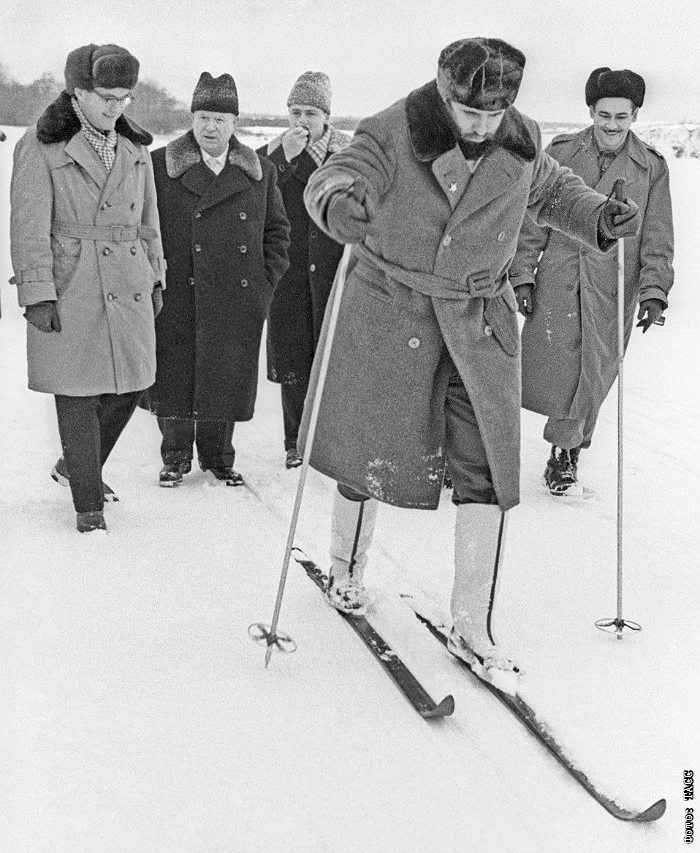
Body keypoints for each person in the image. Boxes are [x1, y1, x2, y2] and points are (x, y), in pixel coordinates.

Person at [301, 38, 640, 692]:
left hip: (479, 321)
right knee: (369, 453)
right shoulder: (395, 129)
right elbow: (336, 174)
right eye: (471, 113)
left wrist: (601, 215)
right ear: (443, 90)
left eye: (494, 113)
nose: (484, 126)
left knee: (488, 471)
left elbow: (554, 191)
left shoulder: (520, 139)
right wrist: (338, 202)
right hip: (394, 311)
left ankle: (472, 626)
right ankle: (346, 568)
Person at [9, 43, 165, 533]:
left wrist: (155, 274)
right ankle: (88, 507)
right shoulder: (40, 145)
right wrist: (37, 291)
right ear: (78, 92)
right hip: (72, 279)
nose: (116, 107)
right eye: (106, 97)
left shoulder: (135, 147)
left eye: (124, 98)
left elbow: (149, 221)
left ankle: (74, 466)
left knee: (133, 383)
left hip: (128, 275)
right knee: (76, 390)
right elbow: (28, 225)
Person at [510, 68, 673, 496]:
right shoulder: (562, 152)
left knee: (593, 372)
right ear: (591, 112)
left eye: (621, 116)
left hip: (613, 285)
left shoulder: (650, 167)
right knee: (546, 368)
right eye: (604, 115)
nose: (612, 125)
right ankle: (485, 445)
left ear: (635, 115)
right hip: (560, 278)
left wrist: (654, 291)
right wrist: (523, 275)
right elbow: (532, 221)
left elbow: (658, 235)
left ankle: (566, 452)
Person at [145, 72, 290, 487]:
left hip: (236, 295)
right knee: (176, 372)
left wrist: (262, 286)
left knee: (224, 374)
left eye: (220, 119)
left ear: (234, 123)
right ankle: (175, 456)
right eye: (203, 117)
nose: (210, 127)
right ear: (192, 118)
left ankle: (218, 456)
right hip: (177, 290)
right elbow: (145, 226)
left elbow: (277, 234)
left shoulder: (260, 171)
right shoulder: (160, 166)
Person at [258, 72, 350, 469]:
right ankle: (295, 441)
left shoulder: (349, 155)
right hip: (289, 273)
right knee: (293, 357)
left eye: (311, 113)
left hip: (335, 273)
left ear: (326, 116)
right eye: (295, 111)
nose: (302, 120)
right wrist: (285, 158)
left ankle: (331, 442)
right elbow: (257, 194)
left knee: (333, 358)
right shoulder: (269, 155)